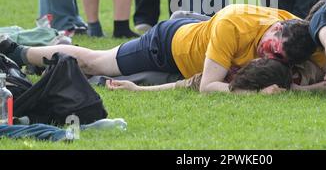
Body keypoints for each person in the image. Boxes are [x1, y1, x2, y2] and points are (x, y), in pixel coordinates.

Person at [0, 4, 324, 93]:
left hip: (200, 40)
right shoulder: (235, 25)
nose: (259, 50)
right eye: (262, 42)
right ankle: (19, 53)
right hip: (167, 45)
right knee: (96, 64)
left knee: (144, 80)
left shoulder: (301, 34)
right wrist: (259, 91)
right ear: (275, 26)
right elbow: (207, 85)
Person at [106, 58, 293, 94]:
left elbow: (181, 85)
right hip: (167, 41)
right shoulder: (225, 72)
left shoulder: (231, 78)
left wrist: (136, 89)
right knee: (98, 63)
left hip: (176, 65)